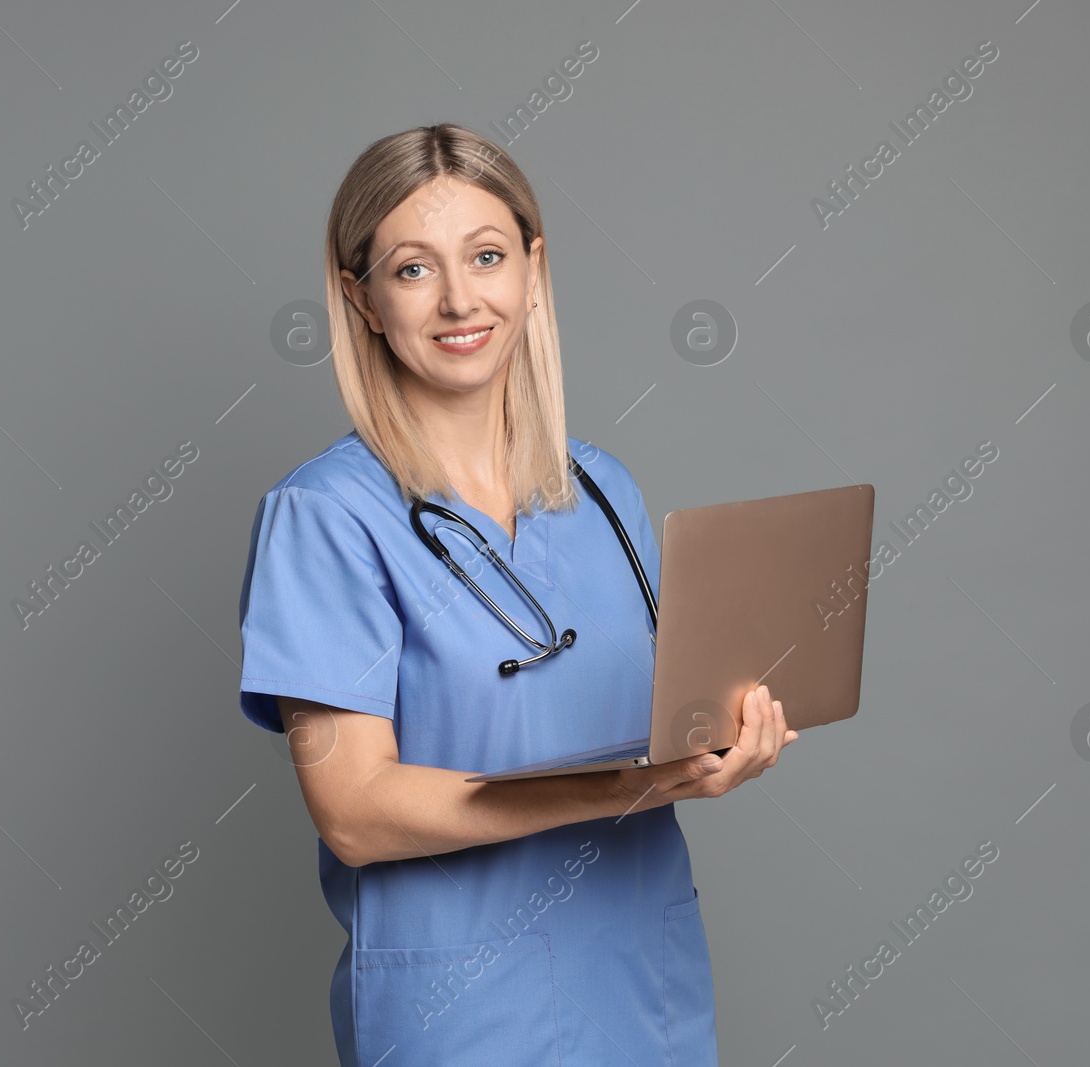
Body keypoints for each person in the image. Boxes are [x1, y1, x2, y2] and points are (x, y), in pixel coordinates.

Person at [238, 123, 797, 1066]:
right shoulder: (326, 516)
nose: (461, 299)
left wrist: (727, 732)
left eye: (487, 257)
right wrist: (629, 787)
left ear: (533, 270)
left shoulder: (604, 489)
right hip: (461, 1008)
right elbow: (355, 810)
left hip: (641, 981)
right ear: (360, 298)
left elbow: (659, 715)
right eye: (413, 269)